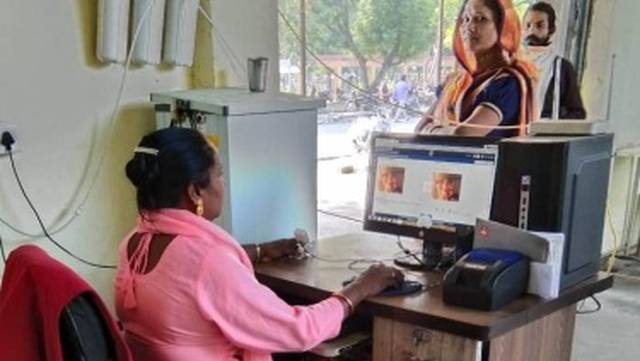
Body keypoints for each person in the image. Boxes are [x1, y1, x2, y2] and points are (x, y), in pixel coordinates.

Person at [114, 127, 403, 361]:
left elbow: (183, 278)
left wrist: (260, 251)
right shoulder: (208, 260)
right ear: (195, 191)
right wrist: (361, 287)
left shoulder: (133, 244)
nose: (223, 184)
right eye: (219, 174)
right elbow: (299, 330)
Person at [416, 0, 537, 138]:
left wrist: (431, 130)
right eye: (465, 19)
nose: (470, 26)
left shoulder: (506, 84)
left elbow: (464, 135)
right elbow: (419, 128)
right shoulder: (455, 82)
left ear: (503, 27)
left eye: (480, 19)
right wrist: (440, 131)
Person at [523, 2, 586, 119]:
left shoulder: (562, 68)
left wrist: (552, 122)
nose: (532, 31)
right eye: (528, 25)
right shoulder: (513, 63)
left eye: (539, 25)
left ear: (551, 30)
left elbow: (577, 113)